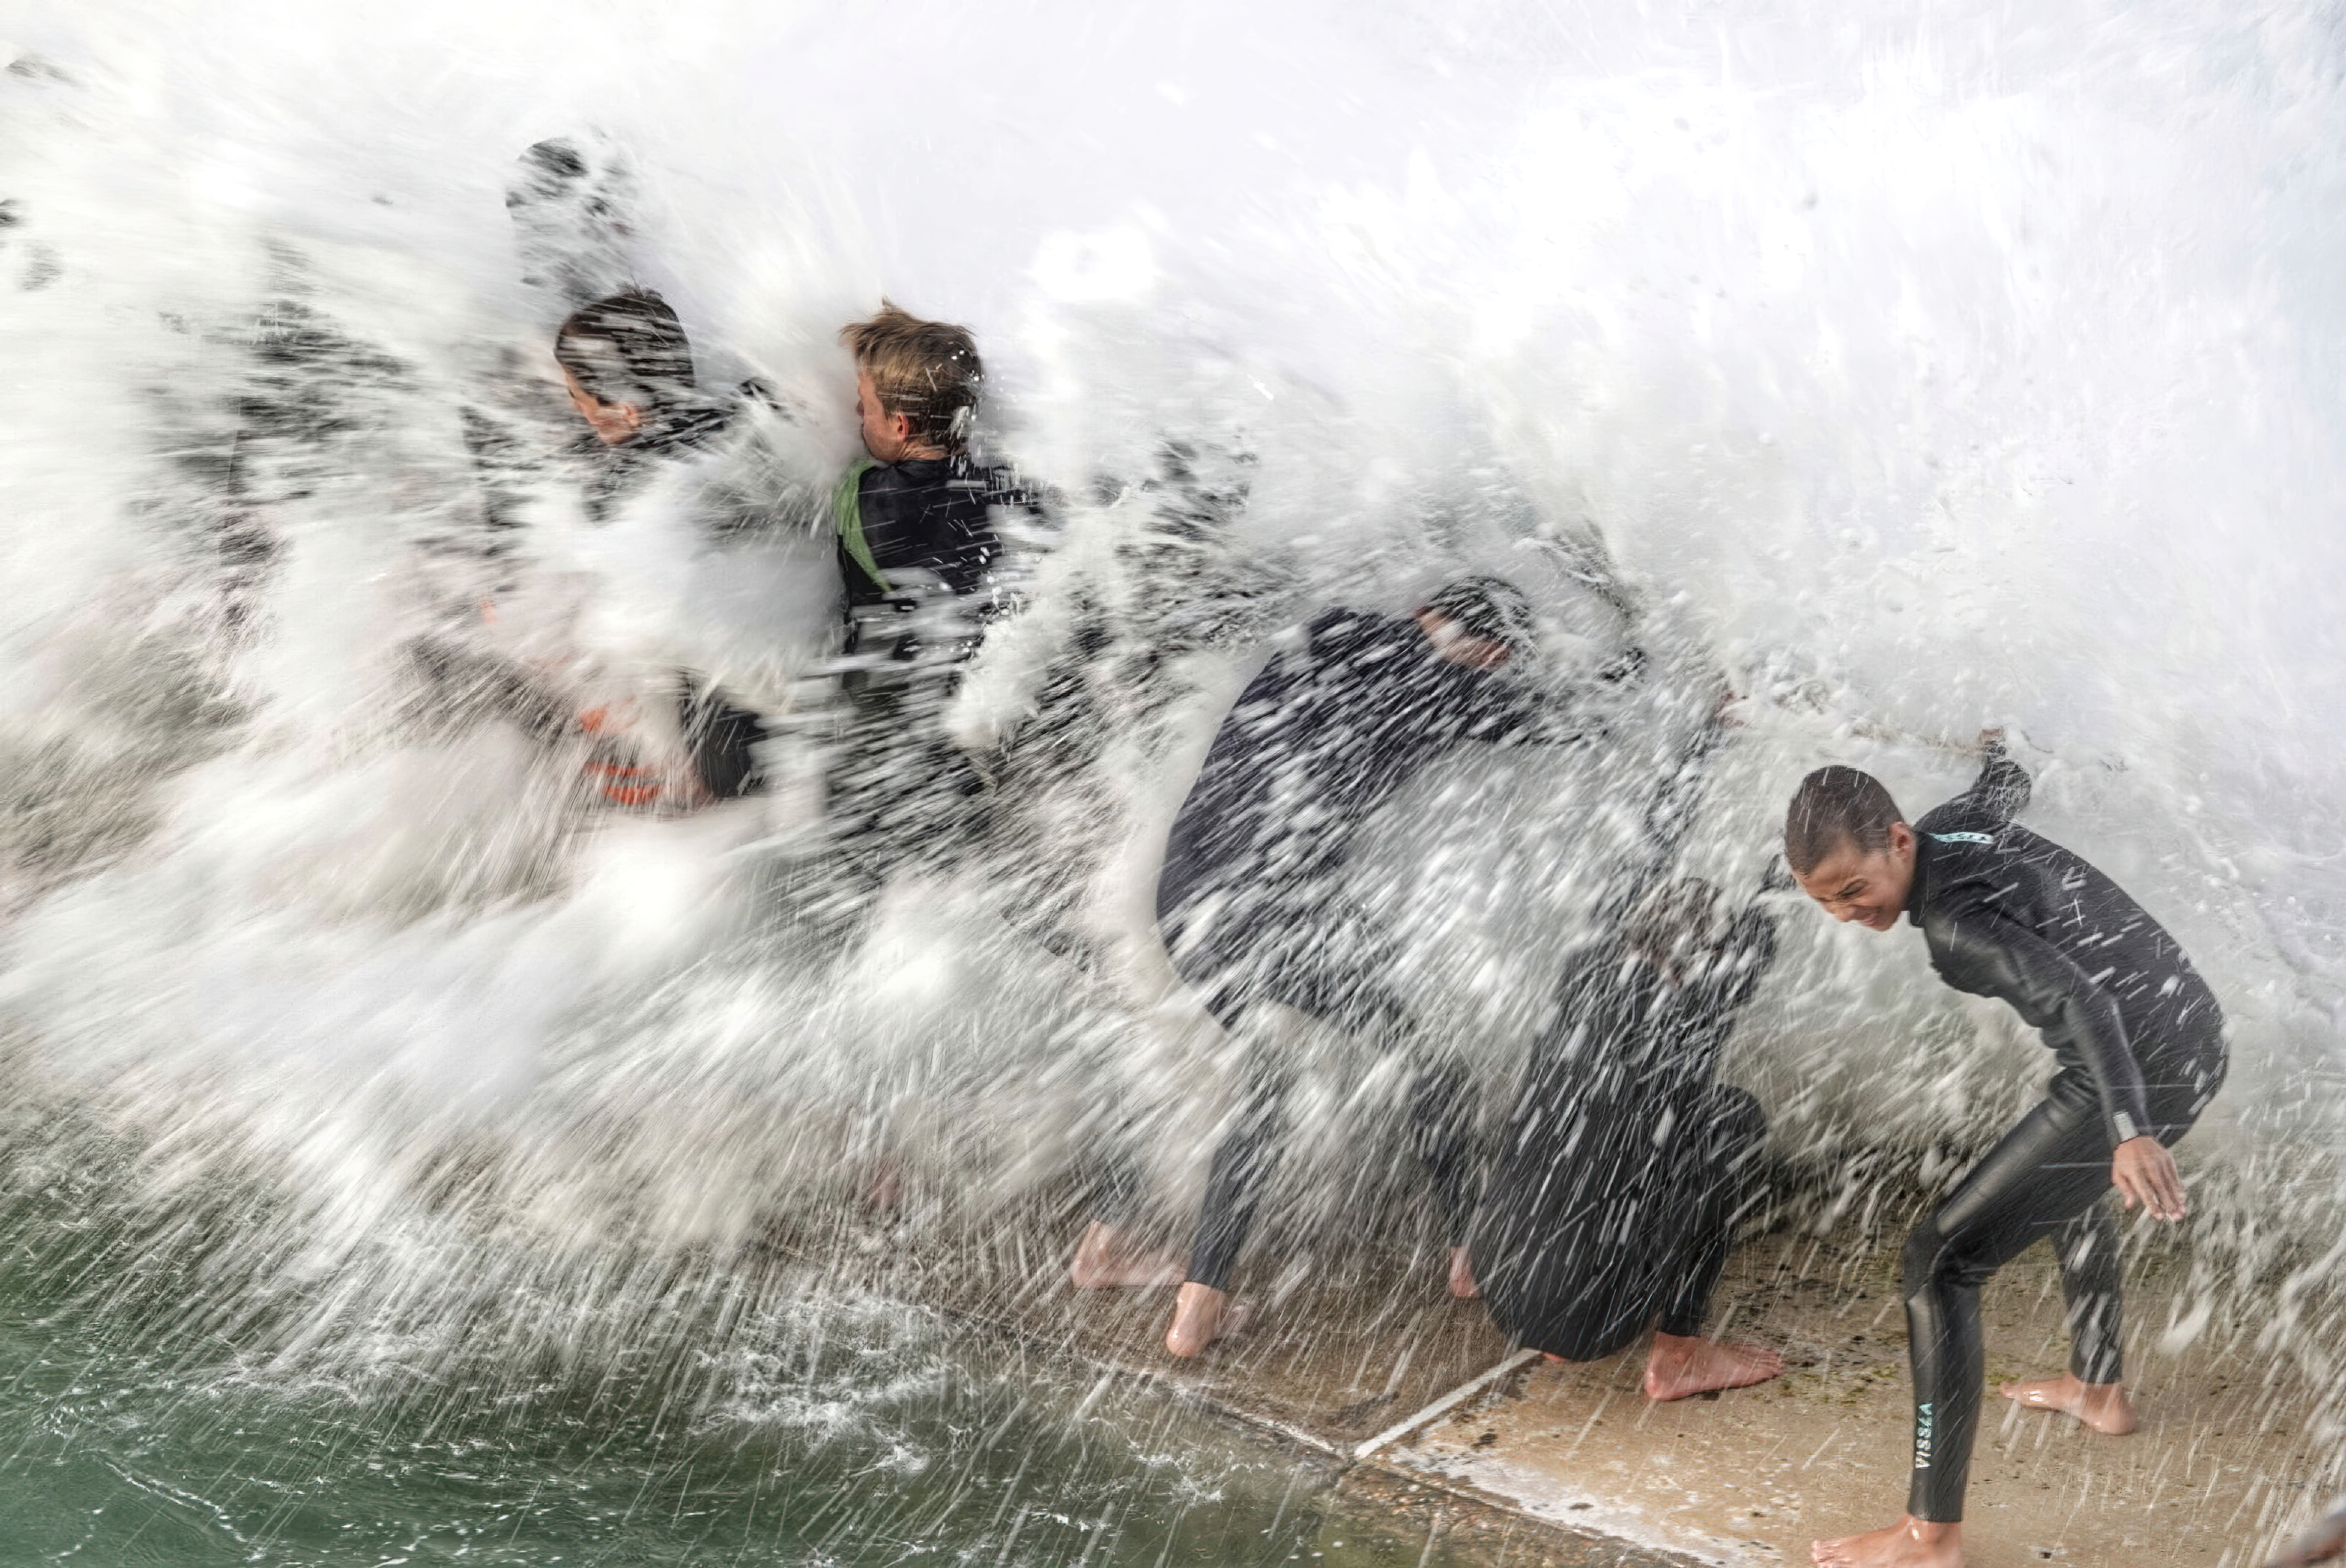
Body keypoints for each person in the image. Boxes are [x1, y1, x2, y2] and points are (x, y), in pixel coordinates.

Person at [1075, 576, 1603, 1356]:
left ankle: (1109, 1241)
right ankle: (1456, 1254)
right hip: (1277, 903)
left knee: (1227, 1069)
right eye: (1493, 657)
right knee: (1415, 1058)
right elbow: (1559, 722)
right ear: (1488, 652)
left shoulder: (1328, 632)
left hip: (1186, 891)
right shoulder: (1446, 691)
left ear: (1424, 610)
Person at [1784, 743, 2227, 1568]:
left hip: (2139, 1064)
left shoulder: (1953, 929)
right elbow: (2004, 785)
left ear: (1898, 841)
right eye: (1823, 900)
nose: (1848, 912)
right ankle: (2098, 1391)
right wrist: (1997, 744)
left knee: (1939, 1260)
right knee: (2064, 1181)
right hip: (2183, 1026)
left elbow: (2079, 997)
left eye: (1854, 887)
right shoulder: (1954, 826)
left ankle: (1929, 1536)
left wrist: (2129, 1127)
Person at [1469, 875, 1788, 1400]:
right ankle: (1678, 1355)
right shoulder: (1694, 1012)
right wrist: (1771, 886)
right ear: (1704, 960)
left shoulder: (1581, 976)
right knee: (1732, 1118)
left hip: (1501, 1280)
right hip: (1594, 1323)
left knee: (1553, 1110)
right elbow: (1752, 954)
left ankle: (1473, 1261)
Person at [821, 304, 1034, 866]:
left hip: (882, 756)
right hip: (971, 749)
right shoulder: (1012, 494)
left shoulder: (865, 500)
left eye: (863, 404)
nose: (853, 411)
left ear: (899, 425)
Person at [553, 289, 775, 807]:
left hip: (729, 722)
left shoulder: (619, 498)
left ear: (628, 409)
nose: (577, 409)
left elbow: (633, 626)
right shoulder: (748, 412)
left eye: (579, 397)